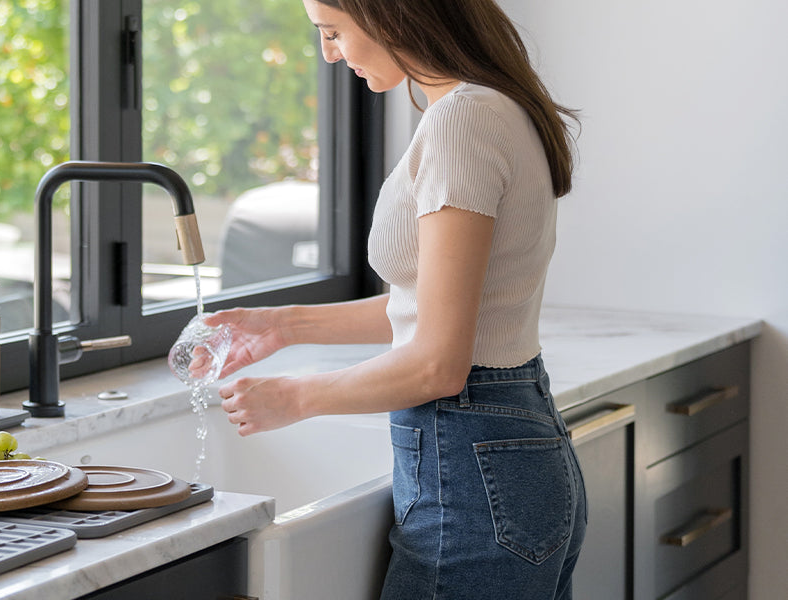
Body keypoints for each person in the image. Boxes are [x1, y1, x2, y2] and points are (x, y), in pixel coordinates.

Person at [207, 0, 585, 598]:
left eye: (333, 32)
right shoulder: (489, 106)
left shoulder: (461, 120)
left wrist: (295, 398)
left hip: (470, 460)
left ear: (389, 15)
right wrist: (284, 324)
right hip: (509, 451)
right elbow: (432, 307)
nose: (329, 53)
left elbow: (438, 364)